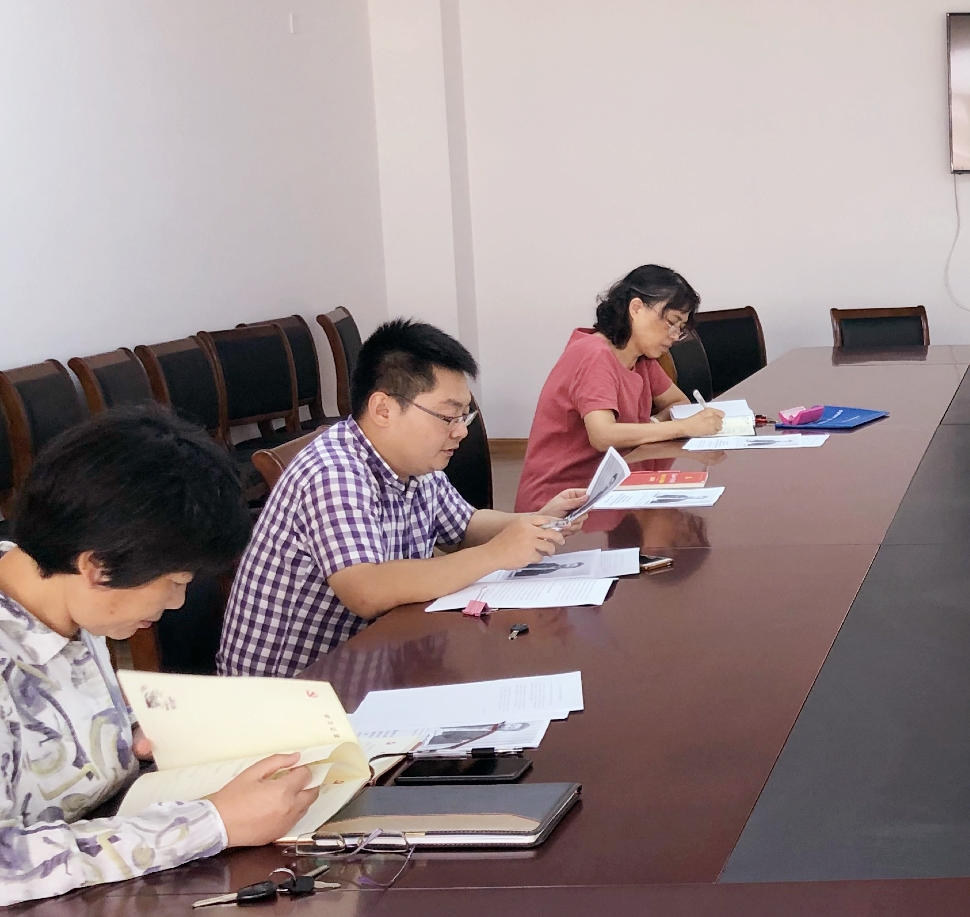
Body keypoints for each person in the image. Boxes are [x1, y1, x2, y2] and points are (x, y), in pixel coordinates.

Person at [0, 408, 320, 917]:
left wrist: (139, 736)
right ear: (97, 566)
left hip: (83, 897)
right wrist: (212, 822)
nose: (177, 602)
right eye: (174, 581)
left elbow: (45, 750)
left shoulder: (66, 601)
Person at [218, 319, 587, 678]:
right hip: (292, 691)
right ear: (384, 409)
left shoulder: (414, 463)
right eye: (448, 416)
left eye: (465, 416)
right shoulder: (334, 471)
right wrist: (497, 553)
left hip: (370, 659)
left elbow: (464, 527)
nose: (460, 432)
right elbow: (367, 590)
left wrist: (536, 520)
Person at [515, 265, 725, 512]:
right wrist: (684, 427)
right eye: (671, 322)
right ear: (636, 308)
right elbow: (603, 436)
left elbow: (678, 403)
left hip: (610, 483)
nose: (673, 335)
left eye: (680, 328)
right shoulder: (594, 355)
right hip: (562, 500)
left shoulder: (640, 357)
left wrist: (652, 425)